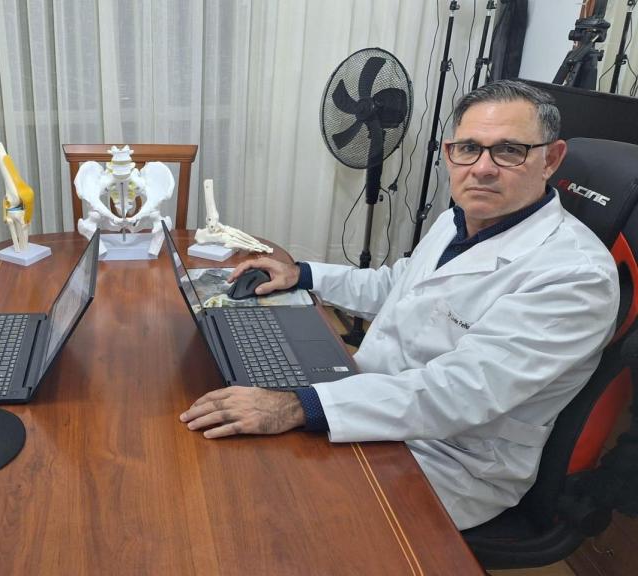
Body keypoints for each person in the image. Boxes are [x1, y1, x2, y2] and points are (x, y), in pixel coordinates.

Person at [179, 80, 620, 530]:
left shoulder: (575, 275)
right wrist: (304, 275)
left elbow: (457, 394)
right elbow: (399, 284)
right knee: (216, 452)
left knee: (252, 508)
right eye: (468, 148)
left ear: (551, 158)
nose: (482, 168)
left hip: (448, 460)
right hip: (376, 404)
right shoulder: (460, 218)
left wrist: (296, 406)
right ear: (449, 153)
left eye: (509, 151)